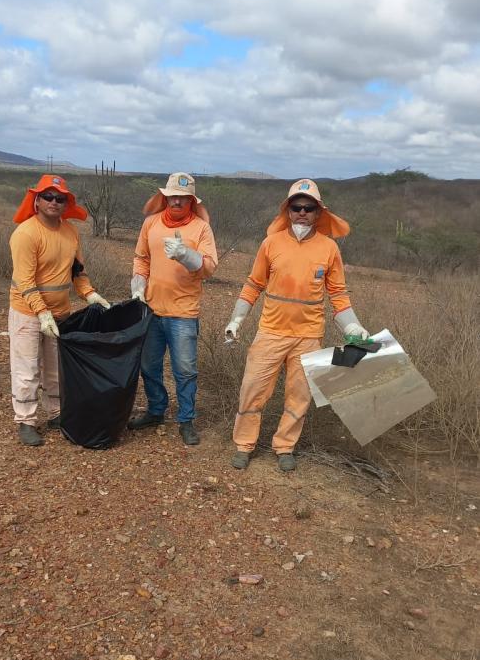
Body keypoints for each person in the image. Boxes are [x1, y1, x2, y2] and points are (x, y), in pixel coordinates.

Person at [224, 178, 370, 471]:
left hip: (308, 336)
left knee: (299, 397)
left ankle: (285, 447)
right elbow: (253, 285)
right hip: (270, 332)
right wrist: (236, 319)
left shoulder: (329, 248)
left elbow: (338, 295)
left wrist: (353, 327)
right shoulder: (271, 243)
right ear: (287, 210)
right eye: (296, 207)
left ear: (318, 212)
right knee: (252, 389)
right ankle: (244, 445)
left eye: (309, 207)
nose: (302, 212)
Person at [9, 174, 110, 447]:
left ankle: (56, 412)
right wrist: (41, 313)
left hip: (60, 312)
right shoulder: (26, 233)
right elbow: (25, 280)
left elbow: (77, 271)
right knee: (27, 368)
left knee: (56, 369)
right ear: (37, 201)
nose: (54, 202)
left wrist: (90, 294)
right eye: (48, 197)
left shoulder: (70, 231)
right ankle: (26, 420)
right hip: (28, 312)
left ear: (66, 203)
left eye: (60, 198)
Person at [128, 172, 218, 445]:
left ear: (191, 200)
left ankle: (186, 420)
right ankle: (156, 410)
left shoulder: (201, 228)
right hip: (152, 310)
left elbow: (209, 268)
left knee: (185, 370)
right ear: (165, 197)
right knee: (149, 366)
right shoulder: (151, 223)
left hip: (183, 313)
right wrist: (137, 287)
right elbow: (141, 258)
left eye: (183, 197)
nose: (177, 201)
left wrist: (185, 254)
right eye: (172, 196)